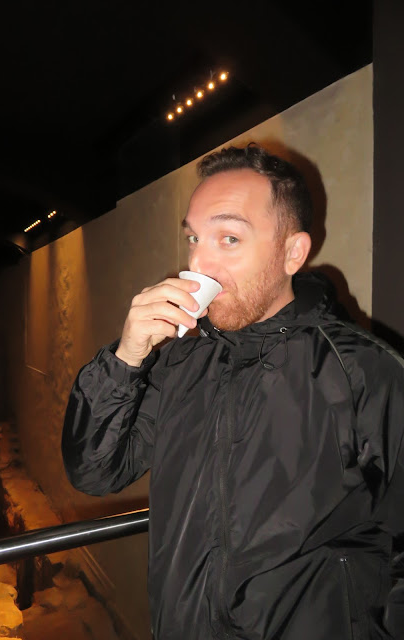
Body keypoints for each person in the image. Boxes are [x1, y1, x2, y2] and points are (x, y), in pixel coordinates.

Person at [62, 144, 404, 640]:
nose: (199, 262)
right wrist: (126, 358)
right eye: (193, 238)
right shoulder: (180, 362)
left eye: (228, 238)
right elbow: (96, 472)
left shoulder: (364, 371)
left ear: (292, 253)